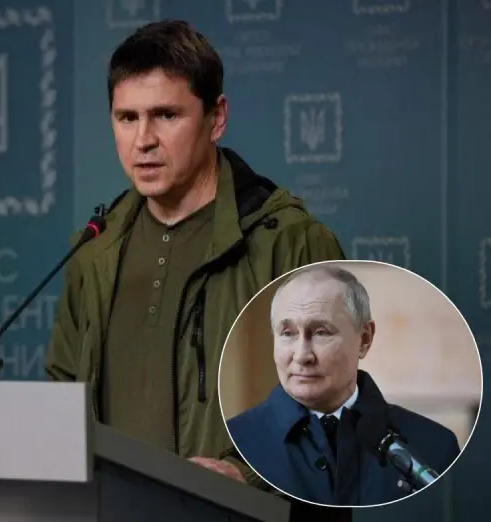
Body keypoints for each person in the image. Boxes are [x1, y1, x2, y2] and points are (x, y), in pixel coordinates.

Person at [44, 19, 345, 488]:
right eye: (127, 118)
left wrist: (246, 475)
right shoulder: (94, 252)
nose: (143, 139)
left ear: (216, 118)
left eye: (166, 115)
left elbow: (341, 407)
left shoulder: (289, 243)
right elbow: (63, 399)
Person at [225, 264, 462, 506]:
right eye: (287, 333)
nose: (302, 356)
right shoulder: (235, 442)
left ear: (364, 339)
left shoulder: (434, 447)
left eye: (321, 332)